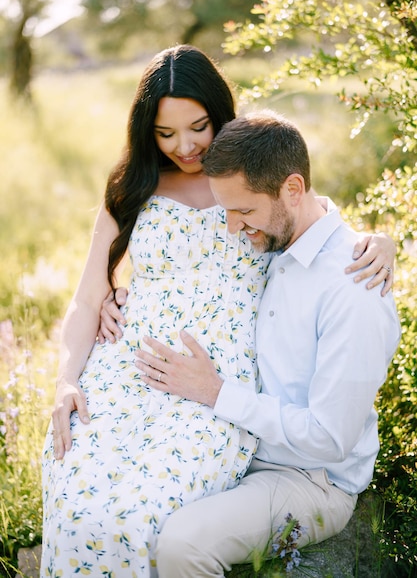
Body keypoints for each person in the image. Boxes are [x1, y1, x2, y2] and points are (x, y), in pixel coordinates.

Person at [42, 43, 395, 578]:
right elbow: (88, 297)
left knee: (142, 516)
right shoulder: (132, 187)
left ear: (221, 113)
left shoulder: (248, 174)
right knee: (77, 497)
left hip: (216, 386)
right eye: (165, 133)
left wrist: (381, 241)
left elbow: (306, 217)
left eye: (198, 126)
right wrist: (68, 378)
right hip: (127, 372)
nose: (184, 146)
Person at [131, 110, 401, 577]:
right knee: (123, 511)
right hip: (232, 444)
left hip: (307, 478)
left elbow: (330, 438)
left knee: (180, 544)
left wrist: (216, 394)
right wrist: (116, 293)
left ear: (292, 190)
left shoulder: (353, 289)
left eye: (244, 211)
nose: (233, 228)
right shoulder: (272, 238)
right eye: (227, 211)